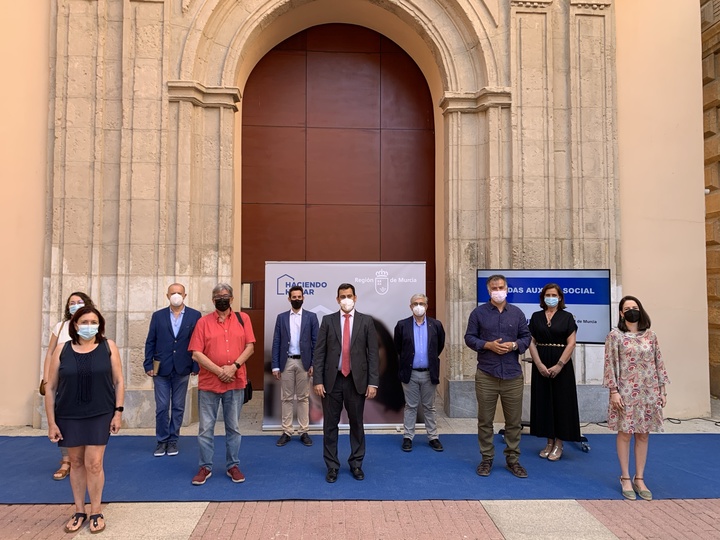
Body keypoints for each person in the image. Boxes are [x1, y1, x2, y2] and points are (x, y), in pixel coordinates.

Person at [44, 305, 124, 534]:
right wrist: (51, 422)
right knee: (76, 463)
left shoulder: (108, 347)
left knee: (94, 463)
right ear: (75, 325)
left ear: (99, 324)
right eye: (84, 322)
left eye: (93, 322)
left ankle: (96, 510)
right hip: (68, 414)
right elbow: (50, 388)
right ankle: (79, 510)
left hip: (100, 413)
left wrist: (118, 412)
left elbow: (118, 381)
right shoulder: (62, 349)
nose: (89, 326)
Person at [464, 274, 531, 478]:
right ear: (489, 290)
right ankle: (486, 458)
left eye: (501, 287)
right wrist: (487, 345)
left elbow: (526, 337)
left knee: (513, 421)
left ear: (507, 289)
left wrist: (513, 345)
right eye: (494, 288)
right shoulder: (478, 313)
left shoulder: (517, 313)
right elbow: (469, 337)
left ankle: (513, 459)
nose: (498, 290)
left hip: (512, 375)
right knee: (485, 420)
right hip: (487, 374)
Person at [188, 283, 255, 485]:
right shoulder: (203, 323)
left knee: (233, 427)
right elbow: (196, 353)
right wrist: (219, 371)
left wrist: (233, 367)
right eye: (218, 296)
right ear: (213, 300)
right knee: (205, 428)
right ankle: (205, 467)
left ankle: (232, 465)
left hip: (235, 382)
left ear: (232, 299)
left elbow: (250, 347)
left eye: (225, 295)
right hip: (210, 383)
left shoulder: (244, 319)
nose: (221, 298)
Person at [603, 295, 669, 501]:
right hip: (625, 392)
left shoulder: (651, 336)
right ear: (622, 313)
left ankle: (639, 478)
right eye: (627, 308)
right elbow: (610, 365)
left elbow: (658, 362)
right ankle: (625, 477)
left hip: (648, 392)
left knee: (643, 434)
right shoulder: (615, 336)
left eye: (635, 307)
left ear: (640, 309)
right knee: (625, 433)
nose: (632, 310)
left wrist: (662, 390)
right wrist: (613, 391)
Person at [313, 283, 379, 483]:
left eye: (349, 296)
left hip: (356, 381)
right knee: (330, 426)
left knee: (357, 424)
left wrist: (373, 383)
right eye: (342, 296)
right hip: (332, 382)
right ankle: (332, 466)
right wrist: (317, 380)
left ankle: (356, 463)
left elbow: (373, 354)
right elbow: (320, 353)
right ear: (337, 299)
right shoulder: (328, 320)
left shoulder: (366, 322)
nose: (346, 299)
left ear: (356, 298)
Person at [144, 283, 202, 457]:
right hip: (160, 369)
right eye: (173, 293)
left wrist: (195, 365)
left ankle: (173, 440)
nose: (176, 295)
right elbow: (150, 341)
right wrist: (148, 364)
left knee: (178, 406)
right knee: (162, 407)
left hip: (183, 368)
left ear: (185, 295)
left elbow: (198, 342)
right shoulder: (158, 316)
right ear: (167, 295)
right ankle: (162, 441)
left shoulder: (194, 315)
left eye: (179, 293)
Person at [41, 292, 95, 481]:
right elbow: (50, 353)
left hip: (83, 378)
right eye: (72, 303)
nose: (75, 305)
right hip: (62, 376)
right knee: (62, 416)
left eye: (79, 302)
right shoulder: (61, 326)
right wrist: (47, 377)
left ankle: (83, 458)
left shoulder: (91, 325)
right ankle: (66, 460)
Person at [527, 283, 582, 461]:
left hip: (562, 365)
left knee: (561, 402)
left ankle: (559, 442)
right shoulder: (536, 317)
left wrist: (559, 365)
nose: (550, 297)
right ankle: (549, 441)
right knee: (544, 402)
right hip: (541, 363)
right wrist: (538, 364)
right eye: (547, 294)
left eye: (554, 294)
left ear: (560, 298)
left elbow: (571, 343)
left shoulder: (567, 317)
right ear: (543, 298)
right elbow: (530, 342)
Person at [394, 293, 446, 452]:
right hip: (410, 373)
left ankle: (433, 437)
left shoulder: (436, 325)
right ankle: (408, 437)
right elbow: (398, 347)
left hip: (429, 373)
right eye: (415, 303)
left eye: (421, 303)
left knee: (429, 407)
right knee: (410, 406)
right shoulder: (402, 325)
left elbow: (439, 346)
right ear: (411, 307)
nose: (418, 306)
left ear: (426, 306)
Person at [271, 285, 319, 447]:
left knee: (303, 398)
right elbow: (276, 341)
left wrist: (314, 364)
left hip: (304, 363)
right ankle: (287, 431)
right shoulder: (282, 317)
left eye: (299, 297)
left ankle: (304, 431)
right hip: (287, 362)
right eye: (294, 297)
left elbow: (316, 342)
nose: (297, 299)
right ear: (289, 298)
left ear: (303, 298)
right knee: (286, 398)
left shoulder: (311, 317)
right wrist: (275, 366)